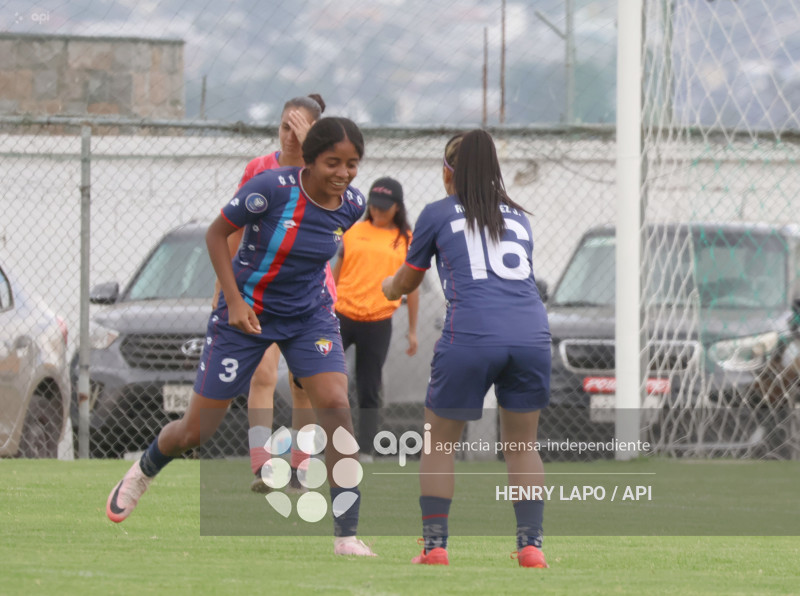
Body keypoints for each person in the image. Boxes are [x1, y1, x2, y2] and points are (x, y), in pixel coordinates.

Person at [107, 117, 377, 557]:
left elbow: (313, 256)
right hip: (246, 314)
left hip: (309, 317)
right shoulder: (271, 188)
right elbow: (216, 234)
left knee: (336, 407)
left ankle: (346, 536)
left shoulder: (353, 205)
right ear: (310, 161)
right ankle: (143, 471)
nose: (343, 173)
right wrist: (233, 301)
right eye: (333, 163)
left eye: (352, 164)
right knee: (196, 430)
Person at [381, 130, 551, 568]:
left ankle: (435, 547)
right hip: (531, 335)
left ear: (447, 172)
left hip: (472, 334)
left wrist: (388, 287)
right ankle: (531, 546)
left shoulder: (437, 213)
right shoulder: (519, 218)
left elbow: (409, 279)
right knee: (522, 444)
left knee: (438, 444)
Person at [213, 93, 330, 494]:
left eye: (299, 130)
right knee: (261, 374)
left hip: (307, 294)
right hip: (258, 291)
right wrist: (224, 291)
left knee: (303, 384)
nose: (290, 137)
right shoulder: (257, 170)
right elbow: (232, 229)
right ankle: (262, 466)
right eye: (285, 127)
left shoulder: (324, 174)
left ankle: (301, 467)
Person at [332, 176, 419, 458]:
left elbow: (412, 287)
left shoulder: (406, 239)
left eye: (384, 207)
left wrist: (412, 330)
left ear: (397, 207)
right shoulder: (353, 232)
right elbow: (336, 273)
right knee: (326, 380)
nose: (378, 211)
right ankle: (324, 442)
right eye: (374, 206)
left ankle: (366, 450)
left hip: (378, 321)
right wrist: (324, 307)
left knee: (369, 387)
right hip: (342, 315)